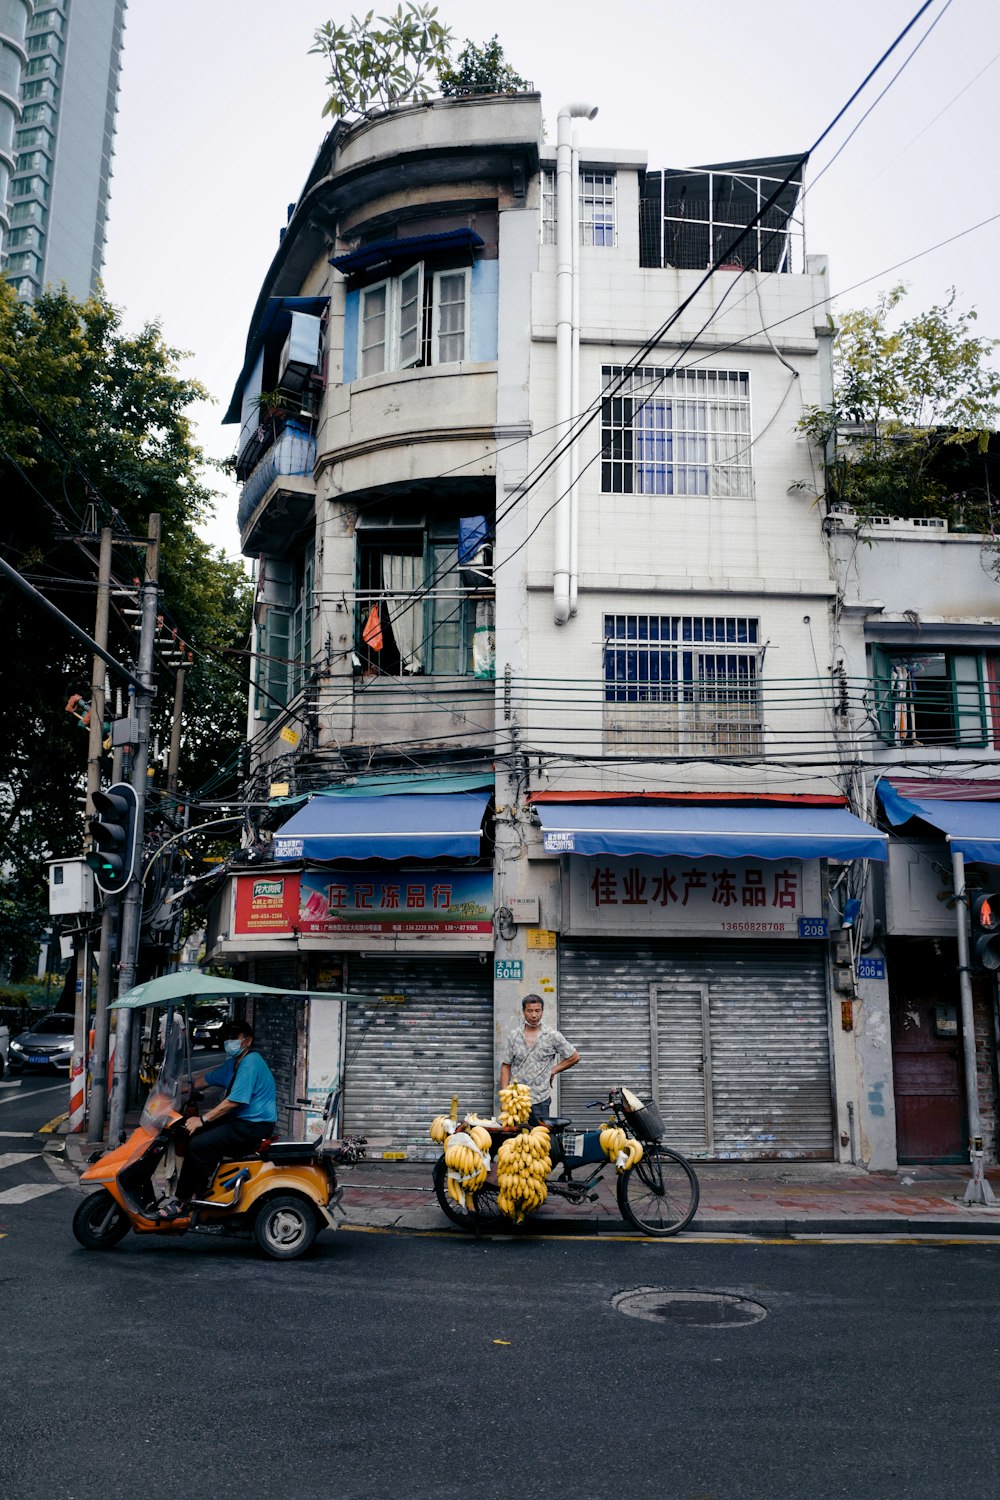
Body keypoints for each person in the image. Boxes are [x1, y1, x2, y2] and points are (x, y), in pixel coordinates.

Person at [158, 1020, 277, 1219]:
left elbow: (232, 1102)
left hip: (253, 1127)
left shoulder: (251, 1063)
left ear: (247, 1041)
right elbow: (205, 1079)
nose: (229, 1041)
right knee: (189, 1134)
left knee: (198, 1144)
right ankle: (203, 1189)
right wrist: (171, 1089)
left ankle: (182, 1201)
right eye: (227, 1038)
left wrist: (202, 1120)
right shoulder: (235, 1063)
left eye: (234, 1038)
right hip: (241, 1123)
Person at [499, 994, 580, 1124]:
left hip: (540, 1100)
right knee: (514, 1140)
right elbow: (506, 1066)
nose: (534, 1015)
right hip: (516, 1100)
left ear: (542, 1011)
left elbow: (574, 1056)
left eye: (538, 1010)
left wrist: (554, 1070)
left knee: (538, 1139)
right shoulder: (514, 1036)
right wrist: (504, 1098)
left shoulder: (552, 1036)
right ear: (524, 1012)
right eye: (530, 1011)